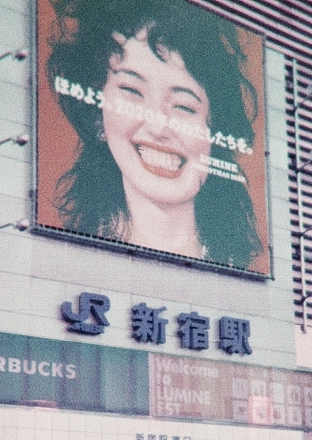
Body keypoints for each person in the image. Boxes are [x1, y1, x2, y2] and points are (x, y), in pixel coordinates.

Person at [46, 0, 262, 269]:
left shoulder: (238, 268)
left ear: (214, 135)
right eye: (132, 92)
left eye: (184, 106)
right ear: (98, 115)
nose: (159, 128)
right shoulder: (68, 260)